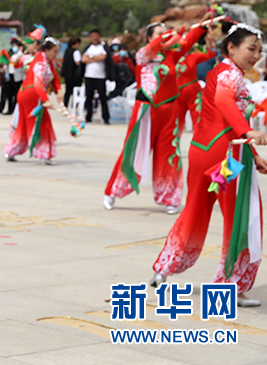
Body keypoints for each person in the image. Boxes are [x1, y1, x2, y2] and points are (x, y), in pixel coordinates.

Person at [150, 23, 267, 307]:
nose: (256, 56)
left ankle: (163, 269)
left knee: (195, 211)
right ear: (231, 48)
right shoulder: (230, 75)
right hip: (227, 159)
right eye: (251, 49)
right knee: (242, 217)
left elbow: (226, 116)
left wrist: (253, 154)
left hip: (205, 152)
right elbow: (225, 103)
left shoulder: (220, 71)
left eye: (259, 51)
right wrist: (248, 133)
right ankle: (230, 286)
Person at [104, 22, 207, 213]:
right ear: (150, 37)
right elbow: (154, 46)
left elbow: (188, 41)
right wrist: (173, 34)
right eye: (160, 33)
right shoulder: (143, 55)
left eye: (166, 33)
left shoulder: (172, 55)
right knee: (133, 151)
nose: (166, 35)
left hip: (169, 110)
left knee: (169, 154)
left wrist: (202, 25)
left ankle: (170, 198)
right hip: (145, 111)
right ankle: (113, 191)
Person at [4, 37, 62, 165]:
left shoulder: (46, 60)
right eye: (54, 51)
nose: (56, 54)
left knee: (23, 125)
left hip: (29, 94)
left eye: (57, 51)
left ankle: (11, 151)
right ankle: (44, 154)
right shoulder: (40, 62)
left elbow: (54, 78)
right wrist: (45, 99)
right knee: (43, 124)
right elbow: (37, 83)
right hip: (31, 95)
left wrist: (59, 91)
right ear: (46, 50)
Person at [80, 29, 114, 125]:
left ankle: (105, 118)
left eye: (96, 35)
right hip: (89, 76)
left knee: (103, 98)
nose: (95, 37)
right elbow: (83, 59)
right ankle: (88, 117)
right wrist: (96, 58)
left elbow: (103, 57)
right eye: (93, 36)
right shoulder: (88, 48)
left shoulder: (103, 47)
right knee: (89, 97)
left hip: (101, 77)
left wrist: (90, 57)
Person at [0, 38, 24, 115]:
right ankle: (9, 109)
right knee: (9, 93)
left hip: (17, 76)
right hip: (9, 75)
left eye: (15, 46)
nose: (14, 47)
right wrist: (5, 66)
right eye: (13, 45)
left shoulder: (21, 54)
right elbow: (5, 61)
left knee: (16, 94)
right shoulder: (9, 53)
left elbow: (21, 61)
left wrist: (20, 51)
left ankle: (15, 109)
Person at [60, 36, 82, 110]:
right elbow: (77, 62)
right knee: (76, 92)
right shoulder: (76, 52)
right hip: (75, 75)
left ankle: (65, 106)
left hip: (67, 75)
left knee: (68, 92)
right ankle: (74, 107)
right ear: (77, 43)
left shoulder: (67, 51)